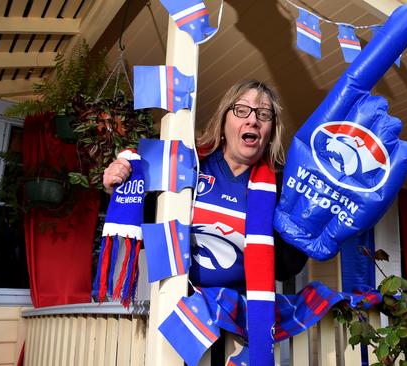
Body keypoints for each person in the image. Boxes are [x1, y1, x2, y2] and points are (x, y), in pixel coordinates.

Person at [103, 79, 308, 363]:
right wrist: (121, 180)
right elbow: (147, 215)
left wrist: (304, 227)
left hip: (239, 328)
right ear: (224, 120)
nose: (253, 120)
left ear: (271, 130)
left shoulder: (281, 187)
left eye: (263, 114)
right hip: (178, 312)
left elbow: (285, 269)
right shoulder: (190, 166)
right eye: (242, 110)